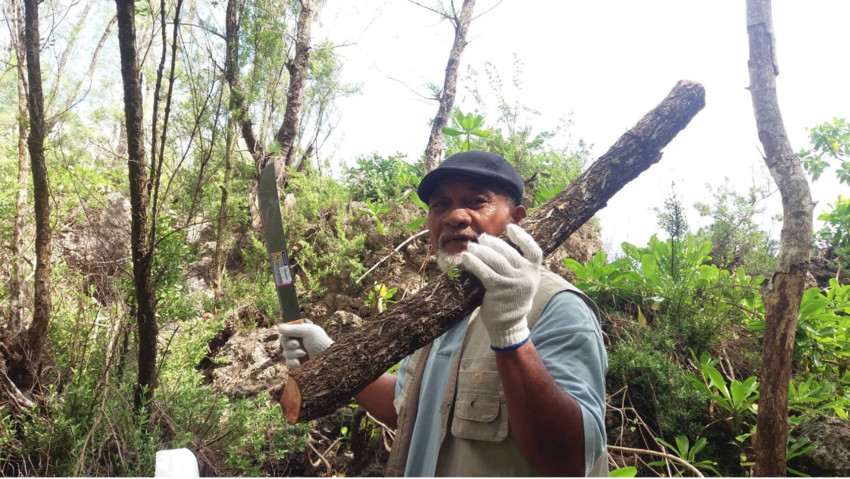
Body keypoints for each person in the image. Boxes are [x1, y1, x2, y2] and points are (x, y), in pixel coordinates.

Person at [280, 151, 608, 476]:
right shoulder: (436, 309)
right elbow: (406, 407)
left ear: (517, 220)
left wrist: (511, 332)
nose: (454, 216)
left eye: (477, 201)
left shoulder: (558, 305)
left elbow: (571, 462)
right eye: (440, 205)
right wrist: (329, 354)